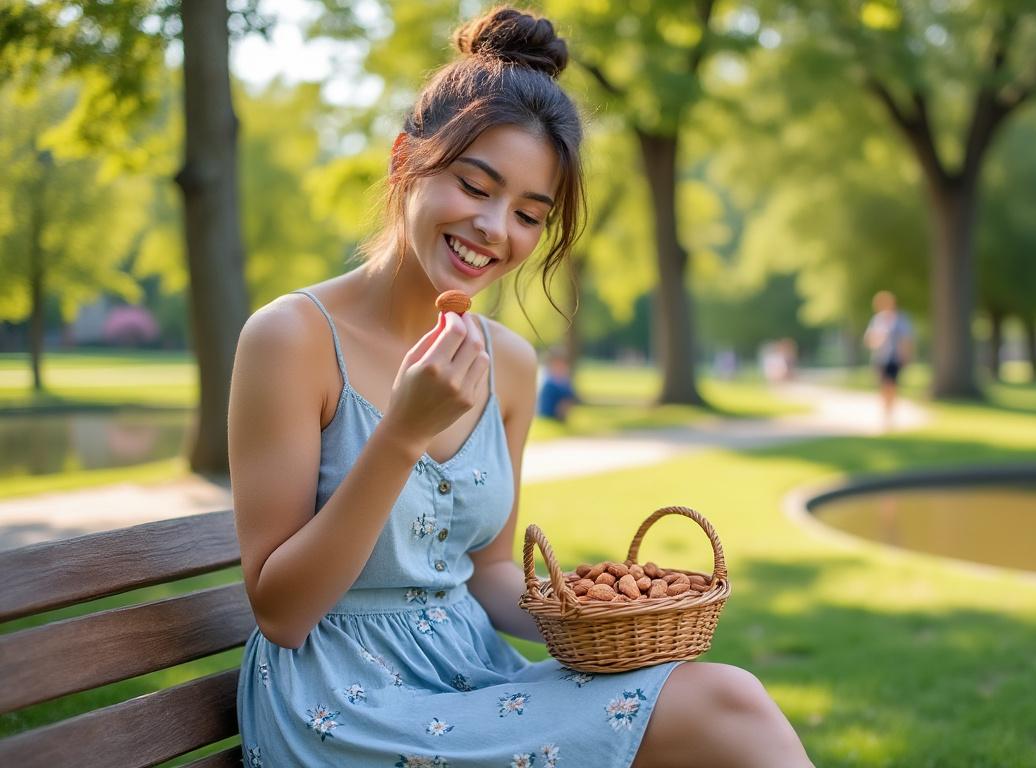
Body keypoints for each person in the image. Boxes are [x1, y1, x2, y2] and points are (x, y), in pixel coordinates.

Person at [227, 8, 812, 767]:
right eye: (475, 186)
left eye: (530, 215)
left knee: (724, 697)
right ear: (406, 161)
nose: (495, 229)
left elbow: (490, 570)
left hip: (470, 677)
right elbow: (281, 612)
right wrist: (402, 435)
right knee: (721, 711)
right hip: (341, 705)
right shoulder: (292, 339)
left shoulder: (508, 364)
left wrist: (601, 616)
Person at [863, 290, 913, 432]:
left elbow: (906, 339)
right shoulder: (877, 320)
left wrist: (906, 355)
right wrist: (877, 339)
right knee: (883, 386)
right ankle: (885, 412)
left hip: (895, 357)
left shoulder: (900, 319)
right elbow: (869, 340)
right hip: (880, 357)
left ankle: (890, 414)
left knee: (892, 385)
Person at [536, 346, 578, 422]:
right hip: (547, 411)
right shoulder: (547, 380)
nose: (560, 367)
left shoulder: (565, 380)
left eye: (562, 364)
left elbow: (570, 395)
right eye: (557, 364)